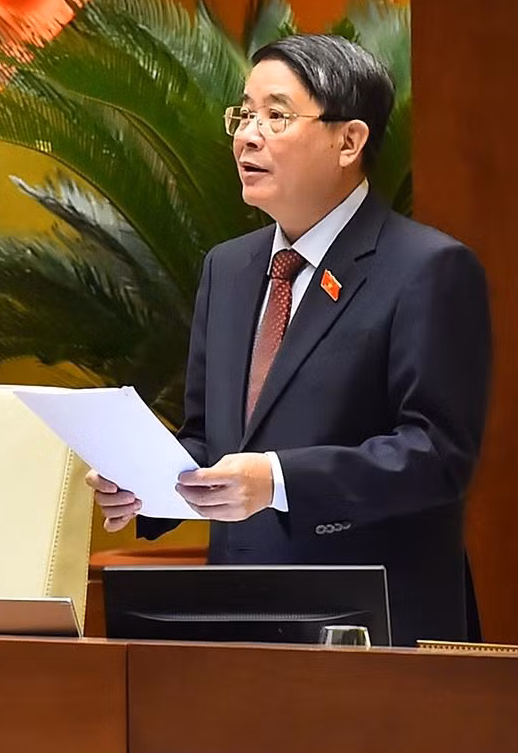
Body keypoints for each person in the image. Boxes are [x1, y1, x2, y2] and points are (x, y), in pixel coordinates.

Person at [89, 34, 492, 644]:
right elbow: (209, 438)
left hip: (374, 625)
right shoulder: (228, 269)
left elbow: (435, 455)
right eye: (243, 114)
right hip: (235, 615)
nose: (247, 135)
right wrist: (144, 485)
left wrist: (276, 481)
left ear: (349, 141)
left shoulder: (426, 268)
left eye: (276, 116)